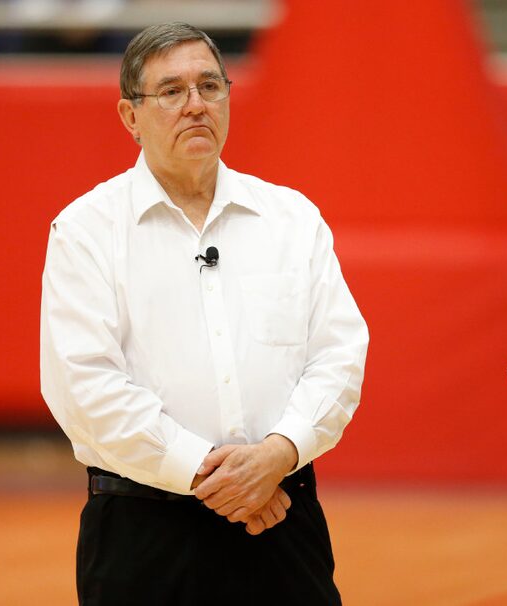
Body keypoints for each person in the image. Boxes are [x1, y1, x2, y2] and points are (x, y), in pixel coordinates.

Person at [40, 22, 368, 606]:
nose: (195, 105)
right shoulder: (86, 230)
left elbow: (338, 357)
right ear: (129, 117)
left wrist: (278, 453)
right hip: (143, 532)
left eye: (209, 86)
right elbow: (84, 387)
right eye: (171, 91)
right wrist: (215, 475)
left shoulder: (290, 218)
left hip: (282, 519)